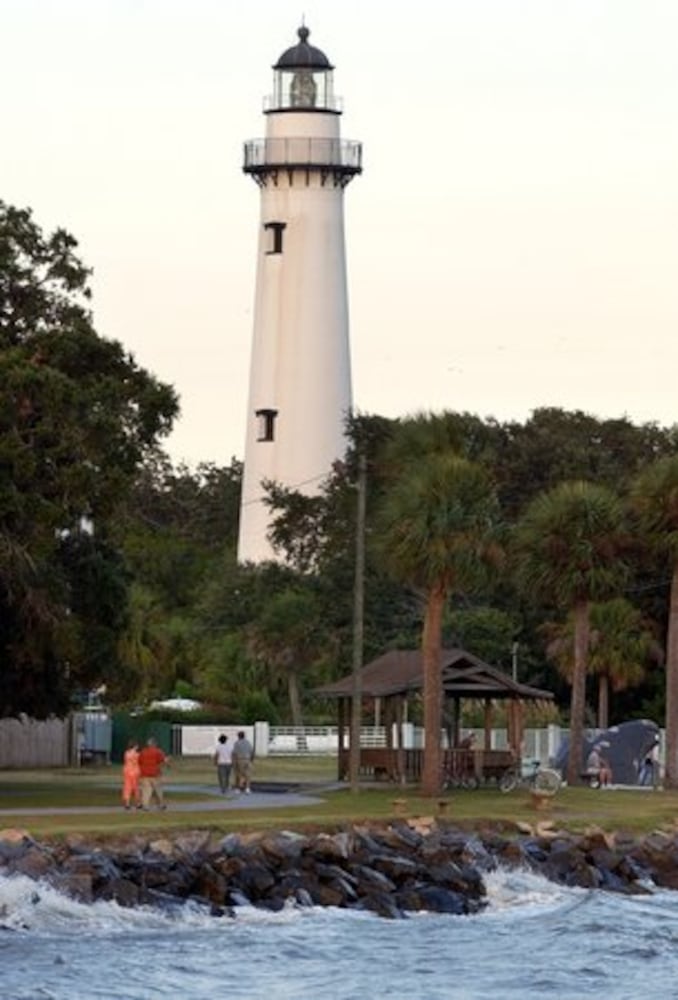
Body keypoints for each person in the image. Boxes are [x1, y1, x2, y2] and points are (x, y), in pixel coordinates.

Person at [138, 736, 170, 810]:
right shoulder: (158, 751)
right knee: (158, 790)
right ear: (155, 744)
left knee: (146, 791)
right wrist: (168, 763)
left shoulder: (143, 751)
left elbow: (139, 761)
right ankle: (161, 805)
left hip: (144, 774)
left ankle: (145, 805)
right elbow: (163, 760)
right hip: (155, 773)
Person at [121, 739, 141, 810]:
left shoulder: (126, 753)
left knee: (127, 787)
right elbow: (139, 761)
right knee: (136, 788)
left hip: (127, 771)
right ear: (135, 746)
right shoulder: (137, 754)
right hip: (135, 771)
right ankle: (137, 803)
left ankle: (127, 803)